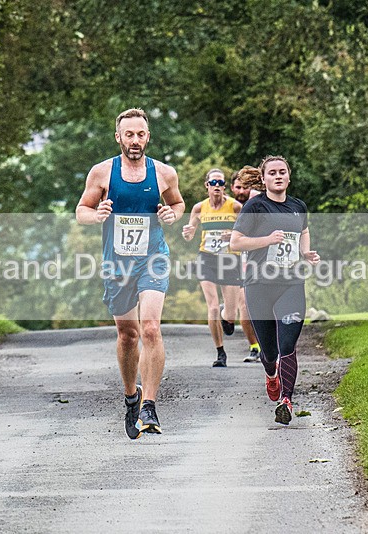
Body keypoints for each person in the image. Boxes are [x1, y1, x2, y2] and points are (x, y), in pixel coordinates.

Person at [76, 108, 184, 439]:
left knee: (150, 328)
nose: (135, 140)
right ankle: (132, 396)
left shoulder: (164, 173)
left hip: (153, 257)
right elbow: (81, 210)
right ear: (118, 137)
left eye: (141, 134)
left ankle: (150, 405)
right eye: (129, 134)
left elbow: (178, 205)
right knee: (128, 334)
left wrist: (170, 214)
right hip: (117, 263)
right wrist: (97, 216)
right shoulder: (102, 173)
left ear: (148, 137)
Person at [229, 156, 320, 425]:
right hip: (259, 285)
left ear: (289, 177)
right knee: (269, 352)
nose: (278, 176)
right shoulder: (255, 207)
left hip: (291, 282)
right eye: (272, 173)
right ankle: (271, 374)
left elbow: (303, 230)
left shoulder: (297, 206)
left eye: (283, 172)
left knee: (288, 344)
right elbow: (236, 242)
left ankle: (287, 401)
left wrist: (305, 252)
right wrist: (267, 240)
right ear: (264, 178)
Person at [182, 169, 243, 367]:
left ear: (224, 186)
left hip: (229, 259)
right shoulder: (199, 208)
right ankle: (220, 352)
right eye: (213, 182)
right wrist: (188, 232)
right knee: (213, 307)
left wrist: (232, 235)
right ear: (206, 185)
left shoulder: (235, 206)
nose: (217, 186)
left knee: (230, 314)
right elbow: (189, 234)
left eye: (220, 182)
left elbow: (248, 231)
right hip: (206, 258)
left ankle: (228, 316)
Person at [228, 167, 263, 363]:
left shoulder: (258, 202)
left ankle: (270, 345)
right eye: (238, 187)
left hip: (263, 259)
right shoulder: (230, 206)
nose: (242, 191)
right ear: (232, 188)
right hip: (240, 261)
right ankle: (254, 347)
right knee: (245, 306)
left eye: (246, 187)